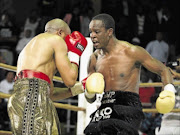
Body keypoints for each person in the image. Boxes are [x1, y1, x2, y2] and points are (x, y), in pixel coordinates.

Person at [82, 13, 176, 135]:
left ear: (109, 32)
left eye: (97, 32)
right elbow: (91, 99)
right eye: (91, 32)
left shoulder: (132, 52)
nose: (92, 36)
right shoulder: (94, 59)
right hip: (105, 105)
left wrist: (169, 91)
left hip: (127, 104)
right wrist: (89, 92)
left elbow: (163, 69)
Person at [7, 18, 87, 135]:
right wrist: (75, 53)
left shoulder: (31, 48)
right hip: (32, 99)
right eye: (67, 38)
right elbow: (70, 80)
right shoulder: (56, 40)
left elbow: (47, 93)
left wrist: (81, 87)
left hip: (25, 98)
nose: (68, 44)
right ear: (60, 33)